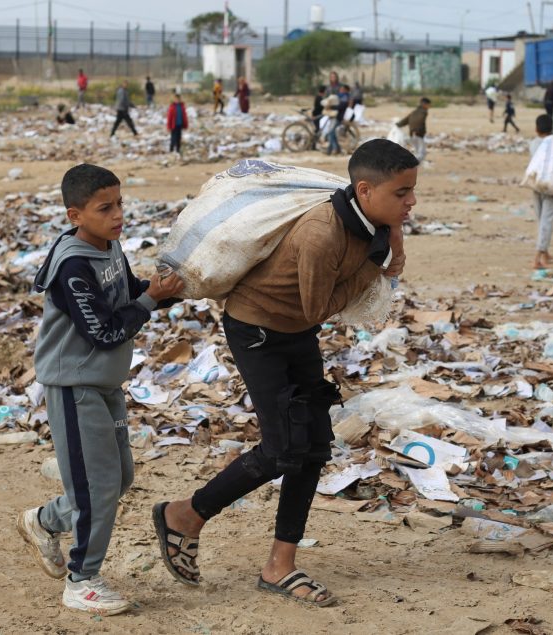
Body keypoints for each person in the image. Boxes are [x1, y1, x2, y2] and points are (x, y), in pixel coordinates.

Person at [152, 138, 415, 607]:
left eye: (412, 191)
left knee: (313, 448)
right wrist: (380, 266)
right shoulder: (323, 234)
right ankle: (184, 515)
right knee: (280, 449)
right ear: (365, 191)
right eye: (402, 193)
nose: (411, 202)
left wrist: (381, 251)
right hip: (259, 331)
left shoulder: (371, 223)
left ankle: (279, 567)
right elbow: (318, 308)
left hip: (293, 333)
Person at [19, 163, 185, 616]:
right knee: (99, 486)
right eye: (105, 208)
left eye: (120, 204)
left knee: (119, 478)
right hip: (75, 385)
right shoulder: (73, 266)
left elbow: (129, 291)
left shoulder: (109, 247)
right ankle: (81, 580)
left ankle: (44, 520)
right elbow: (107, 332)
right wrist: (151, 300)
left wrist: (167, 290)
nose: (117, 216)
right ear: (75, 215)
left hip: (105, 381)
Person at [528, 114, 553, 270]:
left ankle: (545, 253)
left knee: (540, 217)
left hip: (536, 184)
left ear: (536, 129)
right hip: (551, 186)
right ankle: (537, 257)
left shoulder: (533, 144)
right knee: (547, 220)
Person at [396, 97, 431, 162]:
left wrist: (398, 125)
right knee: (421, 153)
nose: (429, 106)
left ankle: (412, 163)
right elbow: (418, 121)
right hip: (418, 134)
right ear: (424, 104)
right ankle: (413, 166)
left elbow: (406, 120)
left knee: (417, 151)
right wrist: (416, 131)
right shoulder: (423, 112)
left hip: (412, 134)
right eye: (428, 105)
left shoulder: (414, 112)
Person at [326, 84, 351, 155]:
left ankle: (335, 148)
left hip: (339, 117)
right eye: (340, 89)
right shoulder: (343, 96)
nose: (341, 90)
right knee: (332, 133)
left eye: (342, 89)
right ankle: (333, 148)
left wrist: (331, 107)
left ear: (346, 90)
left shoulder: (345, 97)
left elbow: (340, 106)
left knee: (331, 133)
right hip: (337, 116)